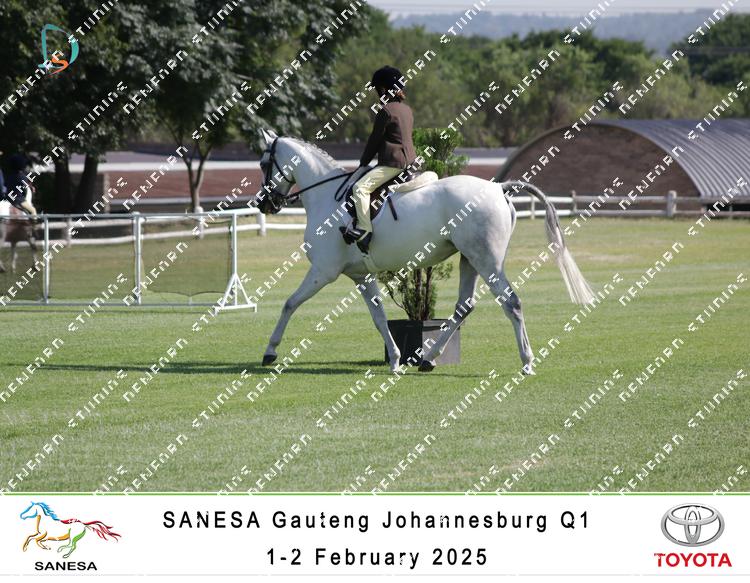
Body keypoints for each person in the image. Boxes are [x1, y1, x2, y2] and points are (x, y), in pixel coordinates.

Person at [340, 66, 416, 253]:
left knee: (360, 188)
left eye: (377, 89)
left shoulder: (386, 111)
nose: (377, 93)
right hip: (410, 161)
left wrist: (364, 162)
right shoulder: (406, 109)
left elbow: (375, 141)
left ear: (383, 89)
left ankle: (365, 231)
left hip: (393, 163)